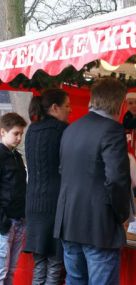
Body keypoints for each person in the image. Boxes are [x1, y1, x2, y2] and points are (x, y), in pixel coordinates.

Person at [54, 77, 131, 285]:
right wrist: (123, 214)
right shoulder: (113, 130)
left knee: (75, 280)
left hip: (68, 221)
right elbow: (116, 179)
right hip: (99, 225)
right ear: (120, 103)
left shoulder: (70, 128)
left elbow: (62, 171)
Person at [24, 89, 71, 285]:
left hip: (33, 203)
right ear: (54, 107)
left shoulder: (31, 129)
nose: (70, 110)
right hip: (55, 204)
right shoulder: (62, 130)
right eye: (67, 106)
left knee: (40, 264)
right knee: (54, 266)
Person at [0, 112, 27, 285]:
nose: (19, 138)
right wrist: (2, 221)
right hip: (4, 223)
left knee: (11, 271)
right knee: (1, 272)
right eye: (15, 133)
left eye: (21, 134)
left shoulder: (16, 156)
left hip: (20, 221)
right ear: (2, 132)